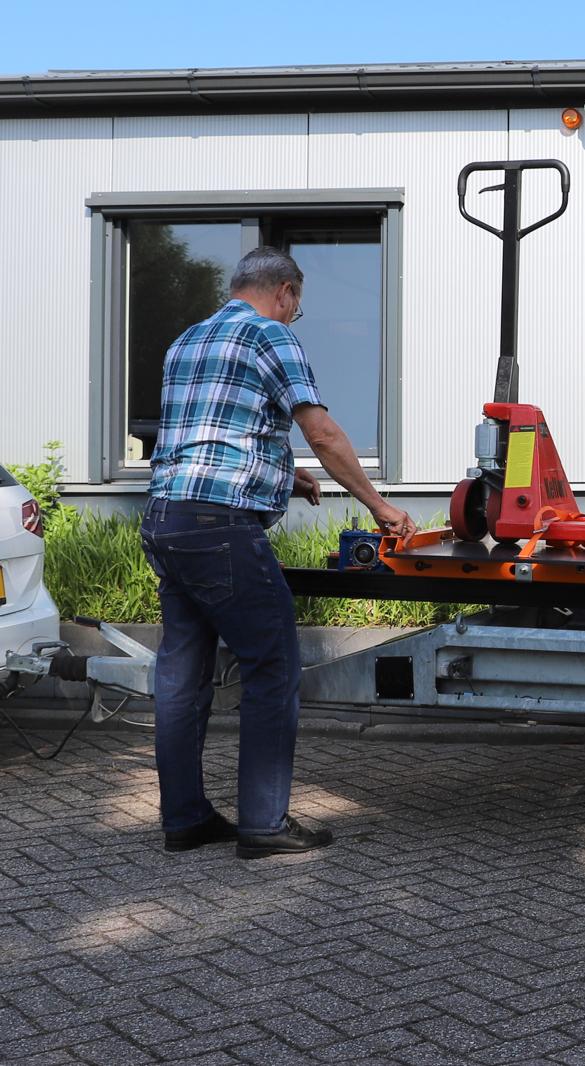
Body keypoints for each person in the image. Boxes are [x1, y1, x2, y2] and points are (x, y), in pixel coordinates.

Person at [140, 246, 417, 859]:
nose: (295, 315)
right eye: (297, 304)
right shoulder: (272, 336)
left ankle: (183, 819)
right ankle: (264, 825)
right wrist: (379, 506)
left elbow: (207, 433)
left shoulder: (186, 340)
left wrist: (282, 474)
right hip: (221, 528)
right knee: (272, 668)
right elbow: (321, 431)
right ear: (285, 291)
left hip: (166, 518)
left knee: (181, 675)